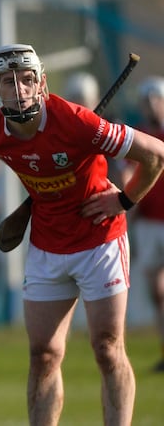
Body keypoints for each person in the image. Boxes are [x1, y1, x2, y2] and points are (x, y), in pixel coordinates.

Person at [0, 44, 164, 426]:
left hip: (99, 240)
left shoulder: (77, 122)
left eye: (27, 79)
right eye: (9, 81)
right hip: (46, 244)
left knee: (106, 348)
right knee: (43, 354)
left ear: (42, 83)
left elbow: (155, 153)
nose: (19, 89)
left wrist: (123, 199)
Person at [123, 76, 164, 372]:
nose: (151, 105)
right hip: (148, 224)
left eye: (156, 99)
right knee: (157, 291)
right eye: (146, 99)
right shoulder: (138, 136)